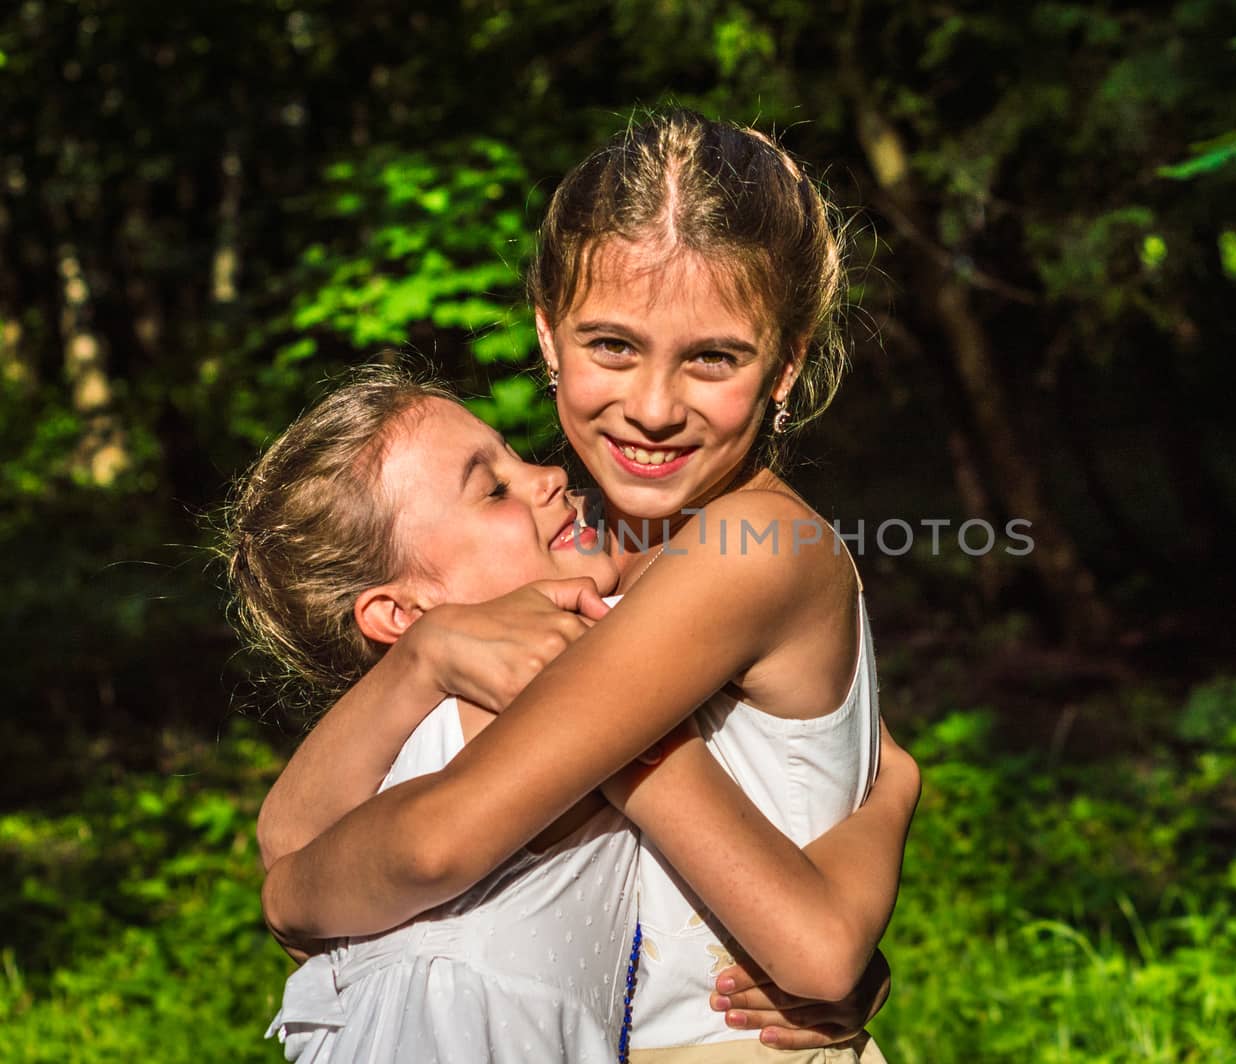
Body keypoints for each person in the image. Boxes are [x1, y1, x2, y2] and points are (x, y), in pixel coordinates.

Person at [258, 109, 911, 1060]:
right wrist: (423, 661)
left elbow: (812, 950)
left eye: (714, 358)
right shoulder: (594, 549)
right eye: (613, 345)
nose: (652, 407)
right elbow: (292, 831)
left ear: (788, 363)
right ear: (548, 335)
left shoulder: (749, 544)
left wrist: (286, 903)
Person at [227, 370, 919, 1062]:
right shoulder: (530, 677)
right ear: (400, 613)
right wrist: (894, 788)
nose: (549, 475)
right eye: (493, 489)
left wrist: (419, 659)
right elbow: (820, 949)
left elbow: (287, 839)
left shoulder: (408, 733)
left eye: (513, 455)